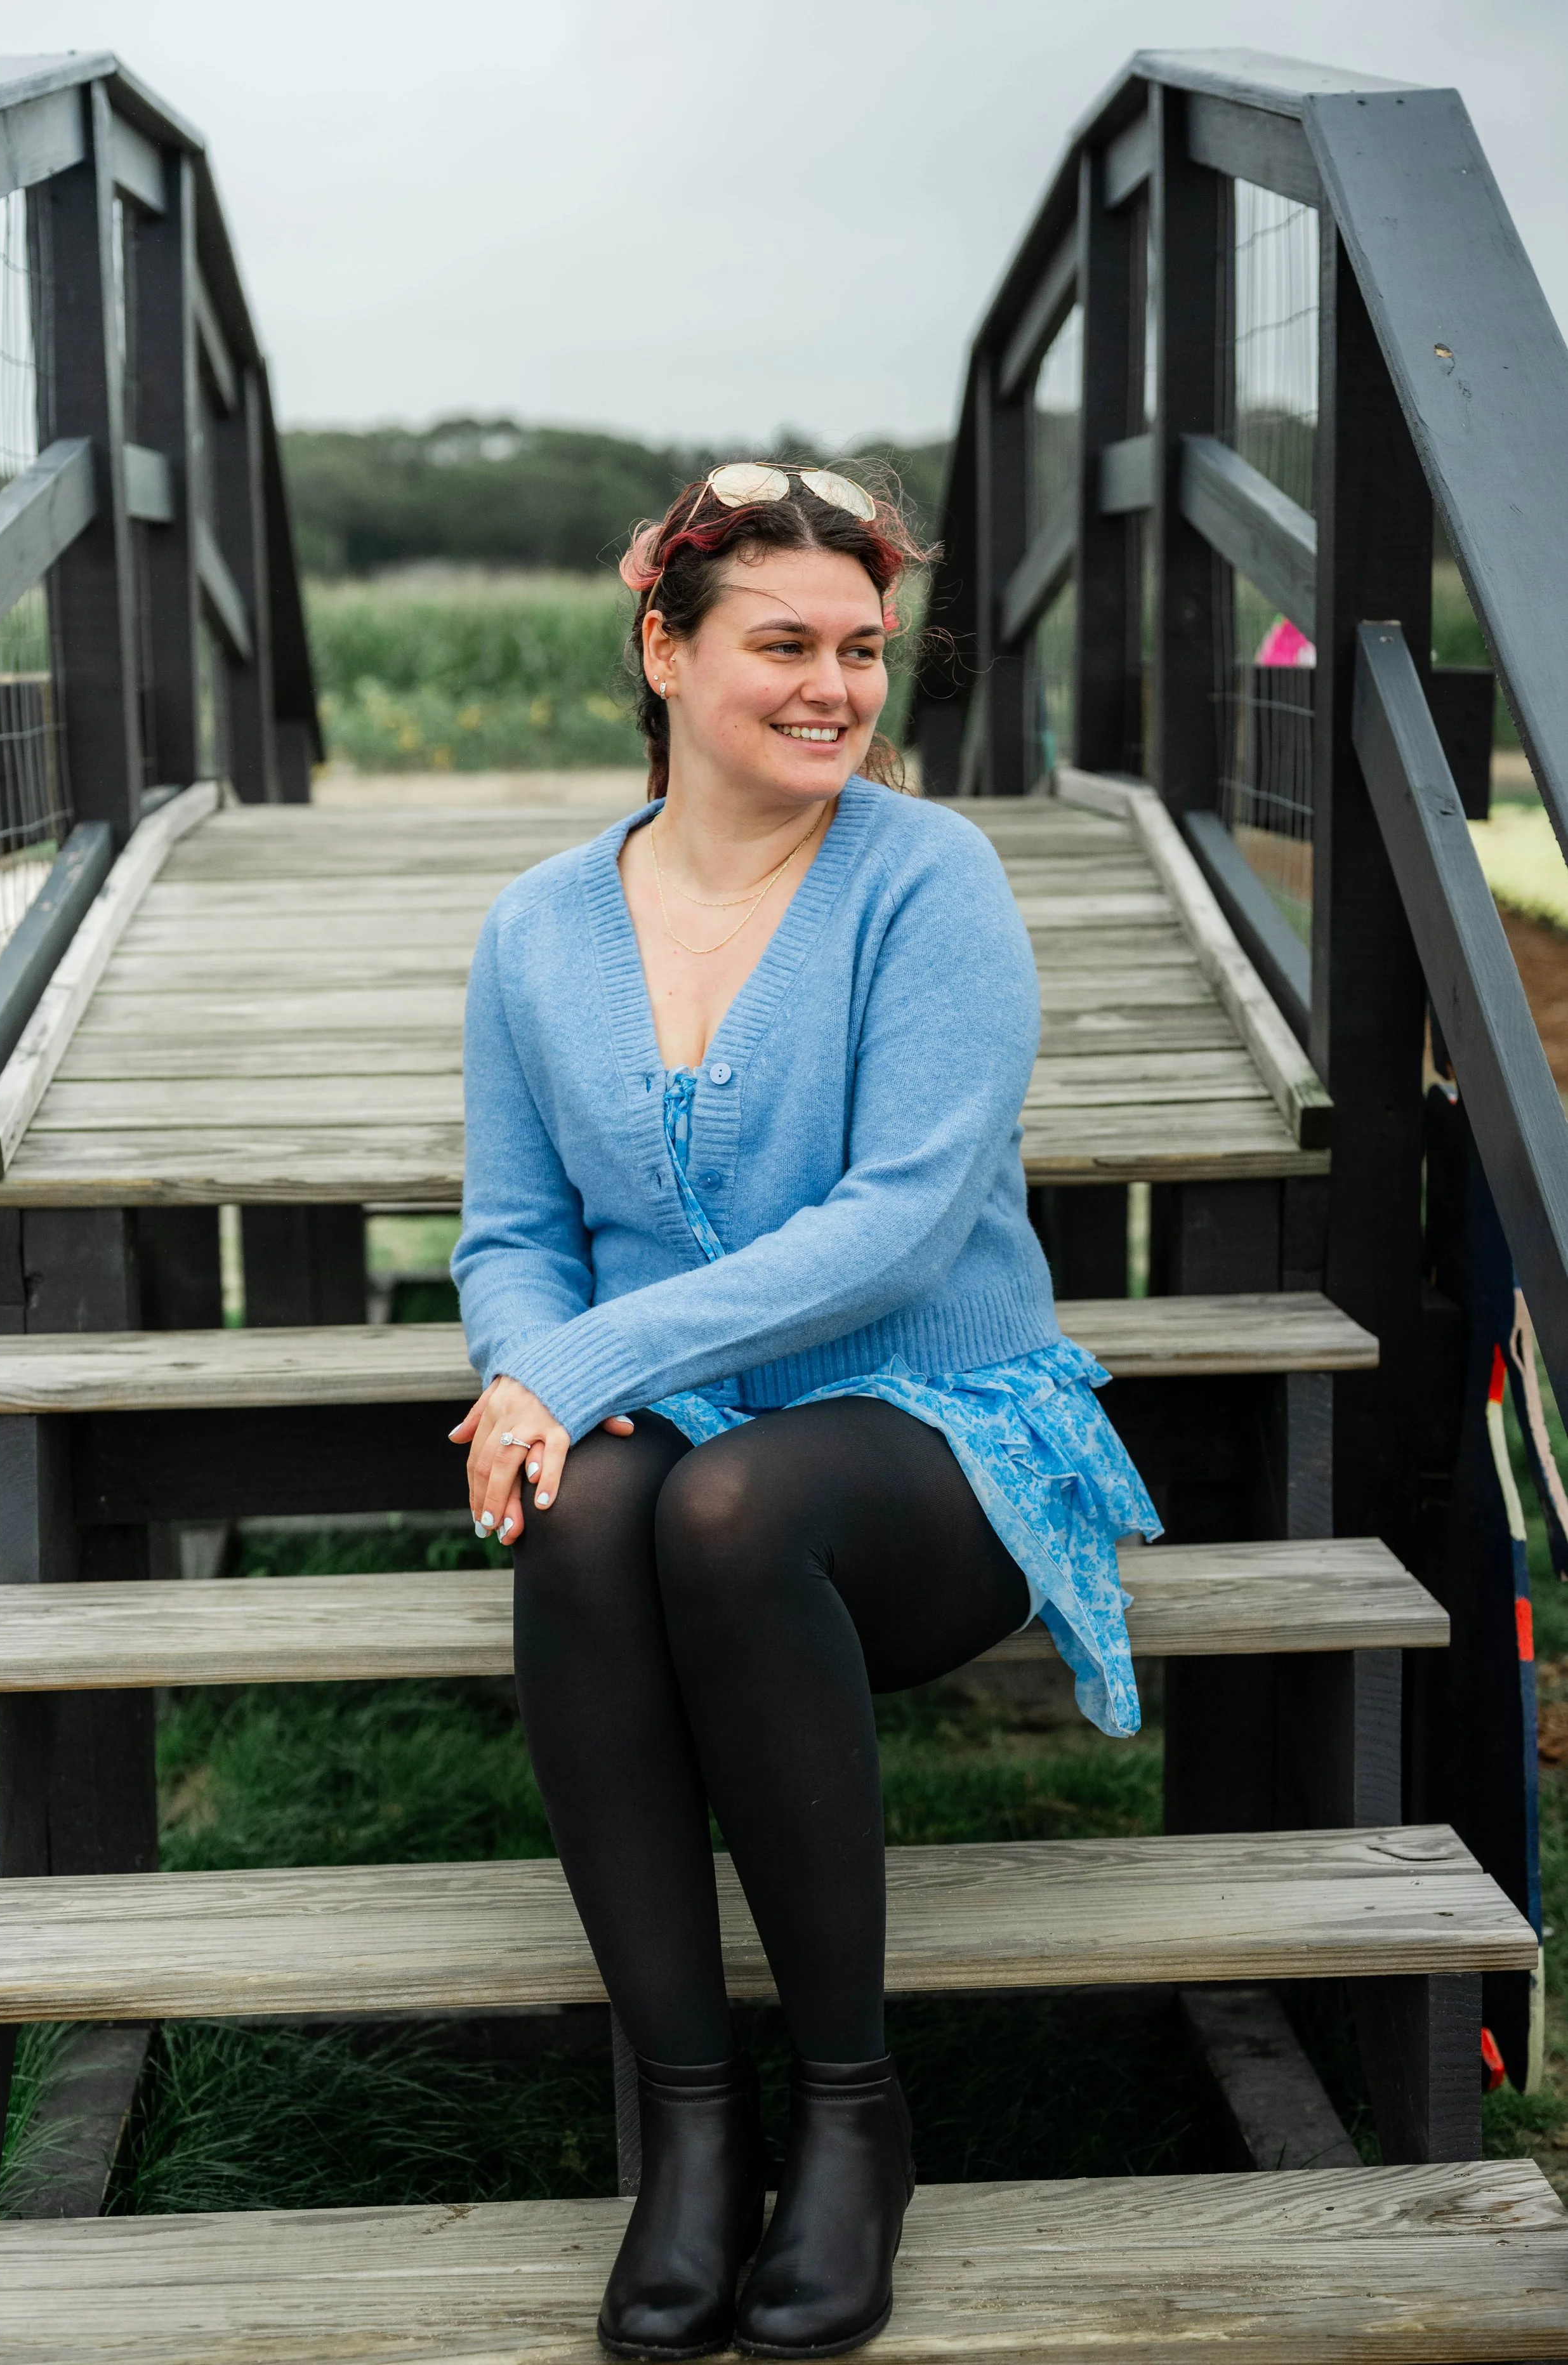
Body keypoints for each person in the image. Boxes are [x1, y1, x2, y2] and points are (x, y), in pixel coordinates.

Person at [449, 461, 1160, 2361]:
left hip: (935, 1429)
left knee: (728, 1507)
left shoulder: (929, 881)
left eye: (860, 649)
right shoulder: (535, 928)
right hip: (679, 1424)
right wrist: (529, 1368)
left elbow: (901, 1219)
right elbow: (512, 1235)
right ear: (664, 651)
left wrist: (578, 1367)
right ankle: (693, 2127)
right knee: (597, 1512)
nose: (834, 687)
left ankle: (853, 2112)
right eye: (783, 643)